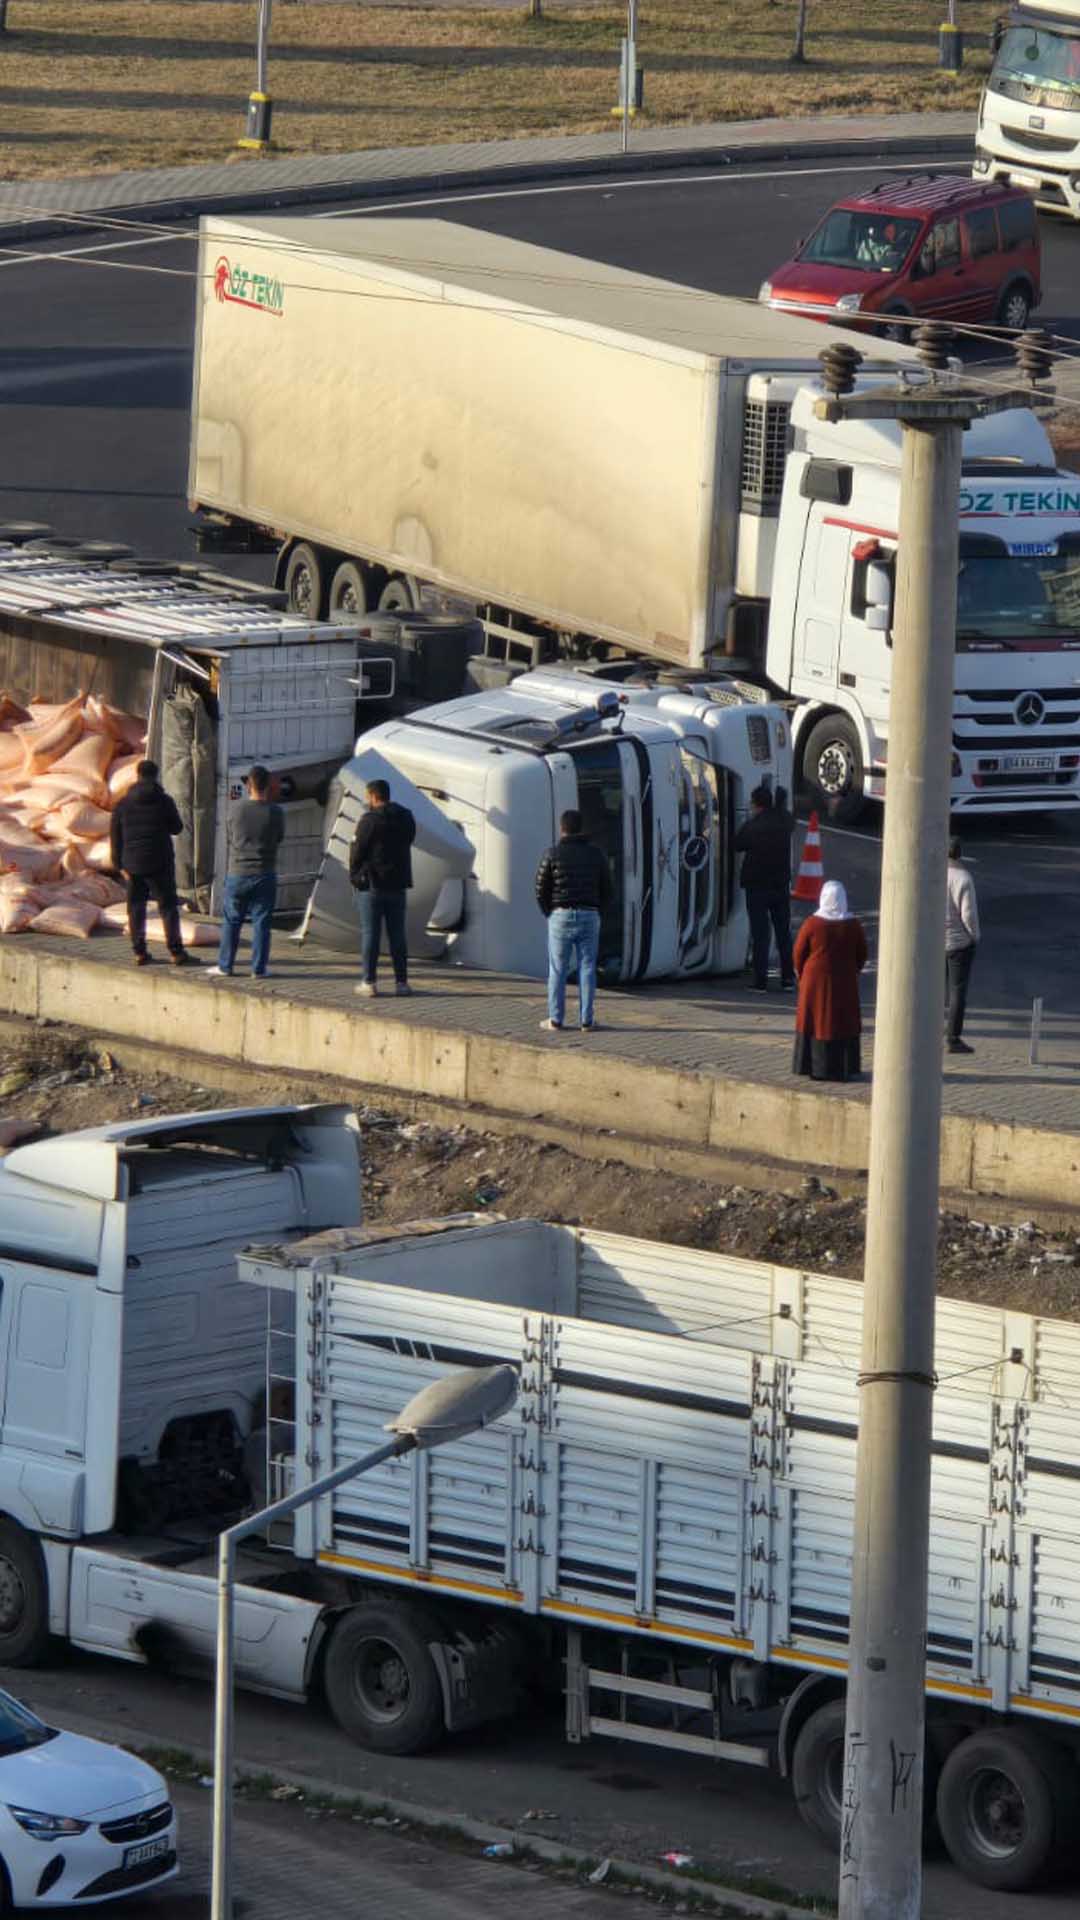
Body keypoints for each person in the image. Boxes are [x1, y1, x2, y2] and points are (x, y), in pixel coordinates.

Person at [109, 758, 194, 969]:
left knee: (136, 907)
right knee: (167, 907)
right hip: (160, 863)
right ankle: (176, 952)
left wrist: (118, 865)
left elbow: (115, 836)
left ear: (137, 776)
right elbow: (177, 828)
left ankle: (140, 953)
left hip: (133, 865)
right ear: (156, 776)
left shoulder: (123, 804)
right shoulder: (164, 801)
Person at [534, 809, 611, 1033]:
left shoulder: (552, 854)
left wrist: (550, 912)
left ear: (562, 828)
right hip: (589, 915)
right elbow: (608, 889)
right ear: (581, 828)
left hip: (560, 915)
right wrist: (598, 912)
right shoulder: (596, 854)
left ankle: (556, 1020)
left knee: (557, 969)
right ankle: (586, 1021)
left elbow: (540, 889)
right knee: (587, 968)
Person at [206, 764, 285, 980]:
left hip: (237, 872)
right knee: (262, 923)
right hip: (265, 873)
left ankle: (225, 966)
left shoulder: (235, 810)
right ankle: (258, 969)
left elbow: (230, 836)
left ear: (249, 785)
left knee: (232, 920)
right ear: (268, 786)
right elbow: (279, 838)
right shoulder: (276, 812)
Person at [792, 879, 868, 1082]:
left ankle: (813, 1067)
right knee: (841, 1022)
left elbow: (799, 952)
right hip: (844, 981)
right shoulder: (852, 924)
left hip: (814, 981)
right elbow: (862, 953)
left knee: (816, 1021)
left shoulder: (812, 923)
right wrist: (853, 970)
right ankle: (843, 1067)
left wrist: (801, 973)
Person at [349, 778, 417, 998]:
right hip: (398, 884)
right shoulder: (406, 817)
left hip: (372, 885)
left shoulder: (368, 821)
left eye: (368, 797)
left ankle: (369, 983)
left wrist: (354, 876)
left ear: (373, 796)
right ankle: (402, 983)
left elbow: (357, 851)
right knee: (398, 935)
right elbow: (409, 840)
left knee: (371, 934)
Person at [733, 783, 795, 993]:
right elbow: (787, 817)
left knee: (761, 935)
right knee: (783, 933)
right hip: (780, 886)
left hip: (757, 887)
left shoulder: (754, 826)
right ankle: (788, 979)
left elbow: (737, 844)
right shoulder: (784, 821)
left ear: (756, 805)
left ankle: (760, 982)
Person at [946, 837, 980, 1056]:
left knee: (935, 991)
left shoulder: (934, 872)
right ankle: (953, 1038)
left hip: (936, 940)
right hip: (958, 943)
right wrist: (974, 936)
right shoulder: (963, 878)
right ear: (959, 854)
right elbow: (968, 914)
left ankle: (927, 1031)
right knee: (957, 991)